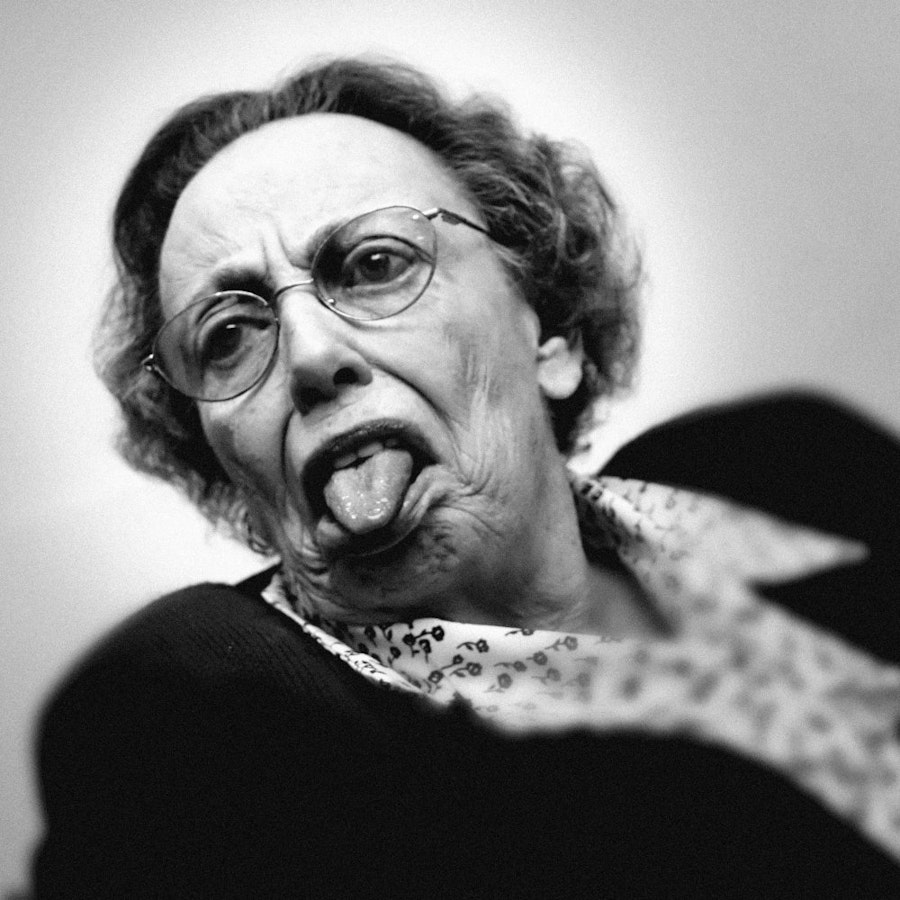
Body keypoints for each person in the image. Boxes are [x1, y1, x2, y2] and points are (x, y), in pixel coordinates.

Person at [32, 57, 900, 897]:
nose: (312, 355)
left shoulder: (798, 465)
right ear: (222, 461)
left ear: (550, 334)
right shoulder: (207, 717)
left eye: (375, 265)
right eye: (228, 335)